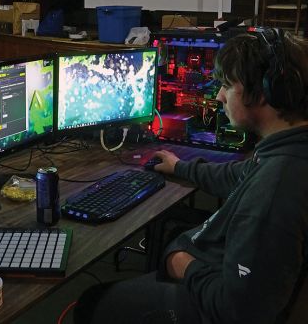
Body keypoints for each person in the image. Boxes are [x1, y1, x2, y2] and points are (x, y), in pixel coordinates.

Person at [72, 28, 308, 324]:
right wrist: (180, 167)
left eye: (227, 85)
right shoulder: (289, 150)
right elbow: (241, 174)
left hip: (214, 306)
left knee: (93, 303)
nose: (220, 95)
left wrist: (182, 263)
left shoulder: (275, 190)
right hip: (226, 275)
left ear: (262, 93)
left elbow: (238, 311)